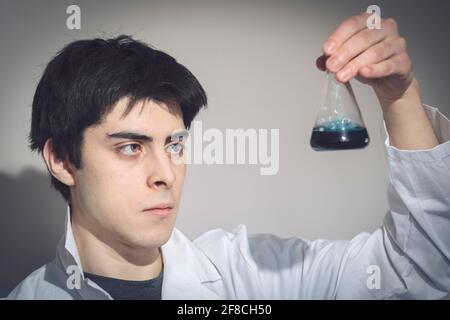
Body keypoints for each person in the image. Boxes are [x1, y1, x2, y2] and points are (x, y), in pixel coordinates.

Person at [6, 12, 450, 299]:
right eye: (130, 147)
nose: (166, 174)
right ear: (63, 160)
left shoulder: (245, 276)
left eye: (175, 145)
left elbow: (417, 273)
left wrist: (400, 97)